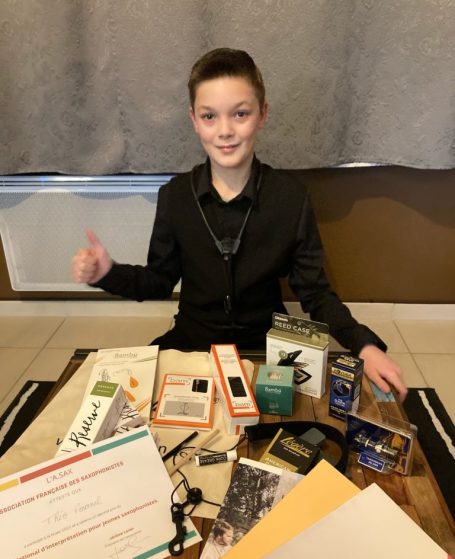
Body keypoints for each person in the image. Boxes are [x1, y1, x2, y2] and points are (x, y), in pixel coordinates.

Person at [72, 47, 407, 400]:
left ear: (262, 114)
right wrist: (106, 273)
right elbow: (158, 281)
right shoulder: (174, 196)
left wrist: (364, 345)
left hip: (266, 348)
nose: (225, 131)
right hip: (192, 341)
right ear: (194, 119)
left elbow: (316, 293)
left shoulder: (291, 198)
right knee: (127, 405)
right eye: (209, 116)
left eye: (240, 114)